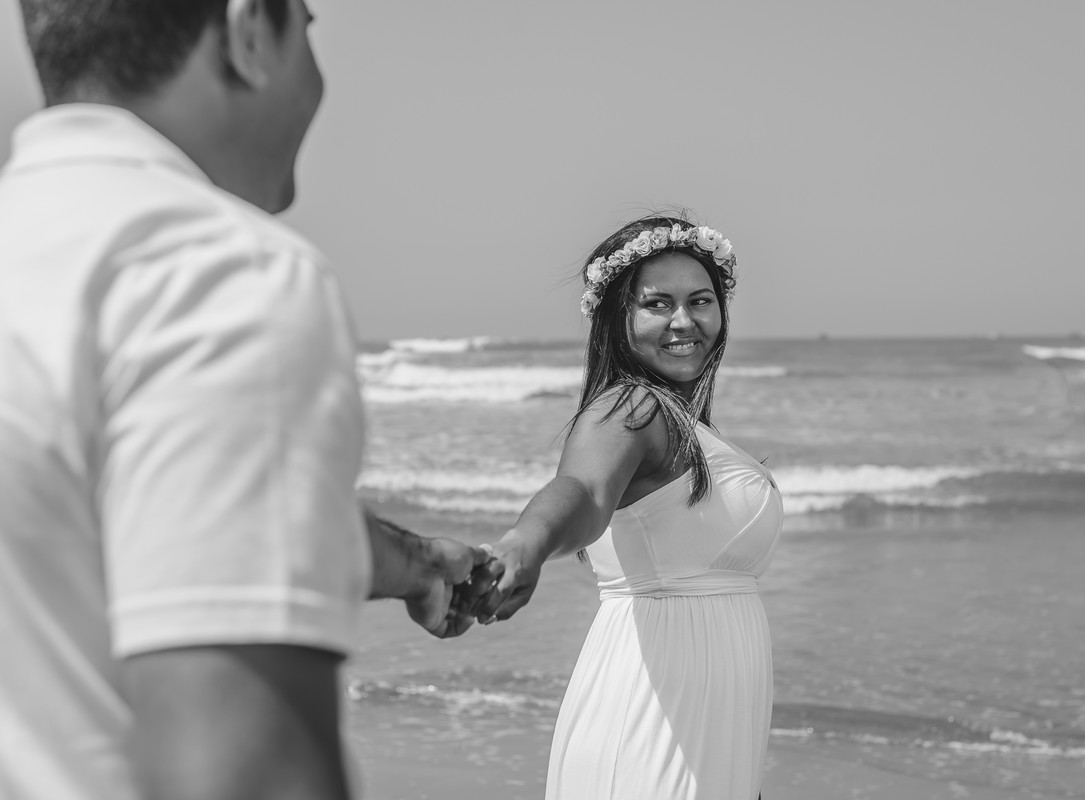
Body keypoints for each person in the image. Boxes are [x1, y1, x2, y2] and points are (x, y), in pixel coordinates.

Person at [0, 2, 485, 799]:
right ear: (248, 32)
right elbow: (242, 771)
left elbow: (142, 515)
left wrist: (421, 566)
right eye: (310, 29)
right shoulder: (212, 276)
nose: (318, 78)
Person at [466, 216, 784, 799]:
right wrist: (523, 545)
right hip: (650, 724)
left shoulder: (681, 423)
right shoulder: (632, 408)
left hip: (708, 740)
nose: (684, 321)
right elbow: (582, 492)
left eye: (700, 301)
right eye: (658, 303)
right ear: (620, 317)